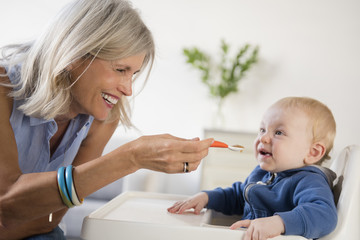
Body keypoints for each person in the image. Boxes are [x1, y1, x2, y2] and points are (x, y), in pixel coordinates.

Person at [0, 0, 213, 239]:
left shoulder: (105, 115)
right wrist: (131, 157)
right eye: (121, 70)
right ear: (74, 54)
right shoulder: (2, 88)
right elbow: (7, 205)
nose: (128, 89)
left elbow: (52, 216)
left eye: (134, 74)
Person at [168, 97, 338, 240]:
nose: (263, 138)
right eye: (262, 129)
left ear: (313, 152)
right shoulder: (263, 173)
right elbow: (238, 196)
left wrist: (279, 223)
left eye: (278, 132)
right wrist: (206, 197)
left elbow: (324, 215)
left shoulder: (309, 181)